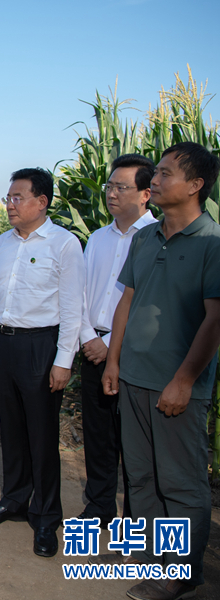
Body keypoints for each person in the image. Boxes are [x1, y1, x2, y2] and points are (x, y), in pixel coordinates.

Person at [97, 142, 220, 600]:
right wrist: (114, 361)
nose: (156, 179)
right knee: (141, 476)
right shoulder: (145, 238)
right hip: (133, 377)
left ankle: (181, 572)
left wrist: (184, 380)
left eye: (167, 173)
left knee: (180, 483)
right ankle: (149, 558)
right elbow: (127, 301)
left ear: (196, 185)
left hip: (176, 385)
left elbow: (215, 319)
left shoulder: (212, 242)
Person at [0, 167, 84, 558]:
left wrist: (63, 360)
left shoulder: (64, 244)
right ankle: (14, 500)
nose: (10, 204)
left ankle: (46, 516)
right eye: (8, 198)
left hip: (41, 346)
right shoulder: (3, 243)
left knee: (41, 436)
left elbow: (72, 307)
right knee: (12, 429)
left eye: (17, 198)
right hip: (4, 344)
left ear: (42, 202)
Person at [76, 154, 156, 526]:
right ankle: (100, 506)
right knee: (98, 434)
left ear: (145, 194)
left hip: (133, 353)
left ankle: (135, 517)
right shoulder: (97, 238)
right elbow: (79, 292)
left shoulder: (156, 237)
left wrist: (110, 345)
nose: (111, 193)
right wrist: (89, 337)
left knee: (135, 443)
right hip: (91, 347)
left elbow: (149, 303)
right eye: (110, 186)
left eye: (121, 187)